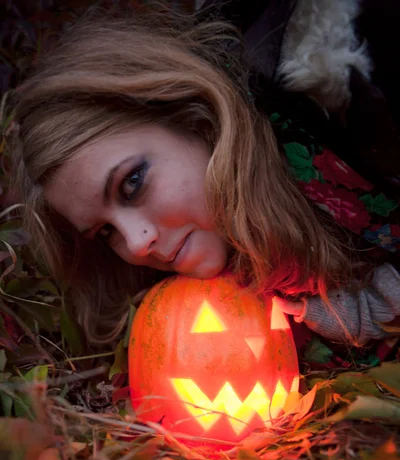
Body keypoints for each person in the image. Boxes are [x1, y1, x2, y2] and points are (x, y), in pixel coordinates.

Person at [9, 2, 400, 354]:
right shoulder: (254, 253)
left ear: (195, 117)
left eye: (132, 183)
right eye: (105, 232)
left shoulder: (343, 84)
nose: (136, 243)